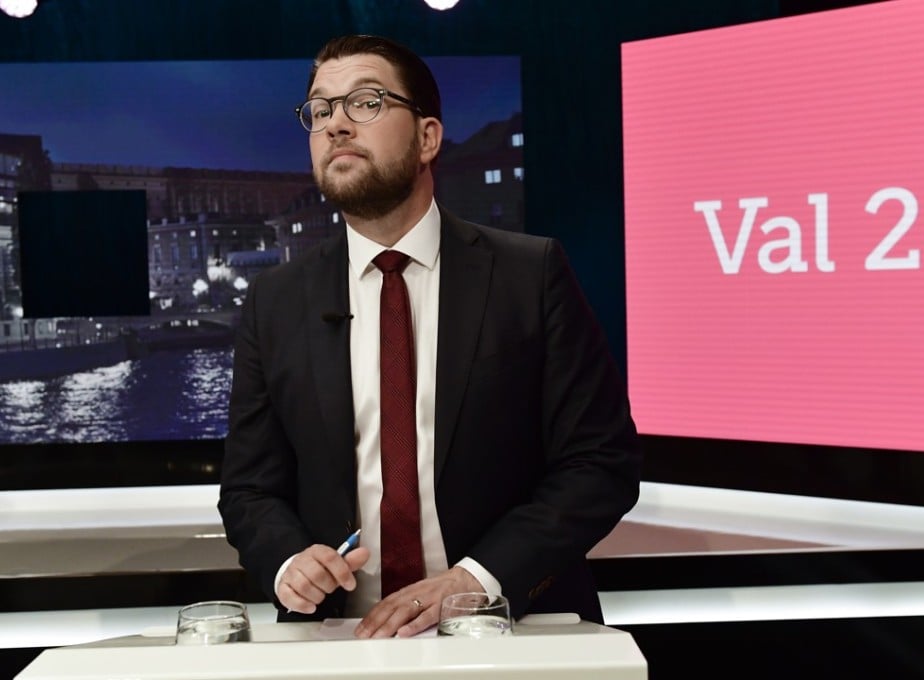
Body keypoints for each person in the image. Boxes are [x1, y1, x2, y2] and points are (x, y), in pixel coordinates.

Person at [218, 34, 642, 639]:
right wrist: (288, 561)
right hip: (340, 638)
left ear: (427, 138)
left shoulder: (530, 272)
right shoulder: (275, 300)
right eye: (321, 109)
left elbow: (601, 463)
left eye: (365, 103)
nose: (337, 125)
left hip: (509, 627)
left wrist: (475, 581)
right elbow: (249, 490)